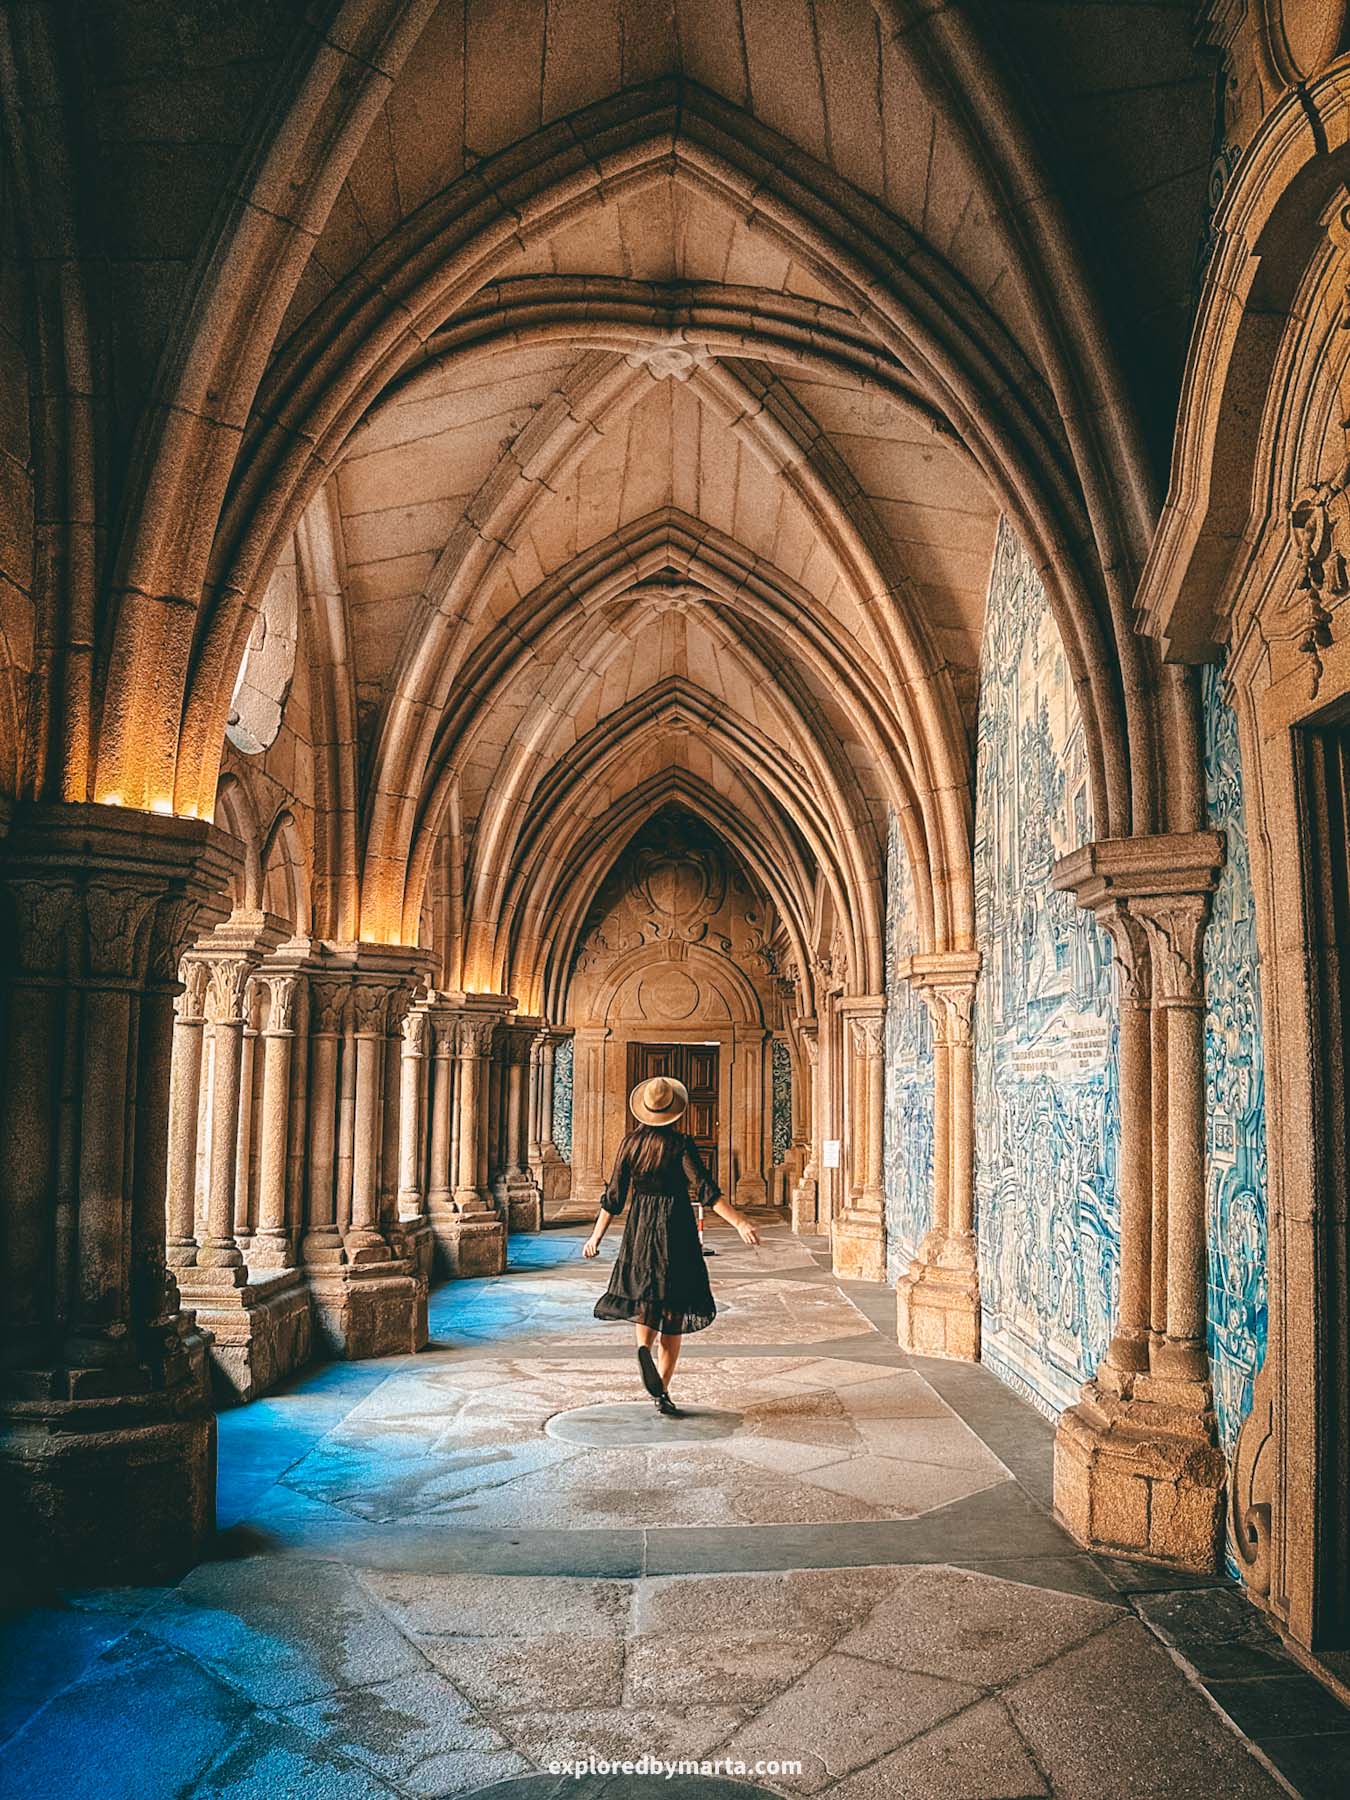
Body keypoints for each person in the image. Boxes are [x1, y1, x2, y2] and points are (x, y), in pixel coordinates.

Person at [584, 1074, 760, 1416]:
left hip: (640, 1228)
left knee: (645, 1297)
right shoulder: (680, 1145)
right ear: (674, 1111)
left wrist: (595, 1238)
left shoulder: (629, 1145)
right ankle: (661, 1391)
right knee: (674, 1308)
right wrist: (739, 1221)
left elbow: (614, 1198)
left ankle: (641, 1347)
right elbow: (706, 1190)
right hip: (675, 1228)